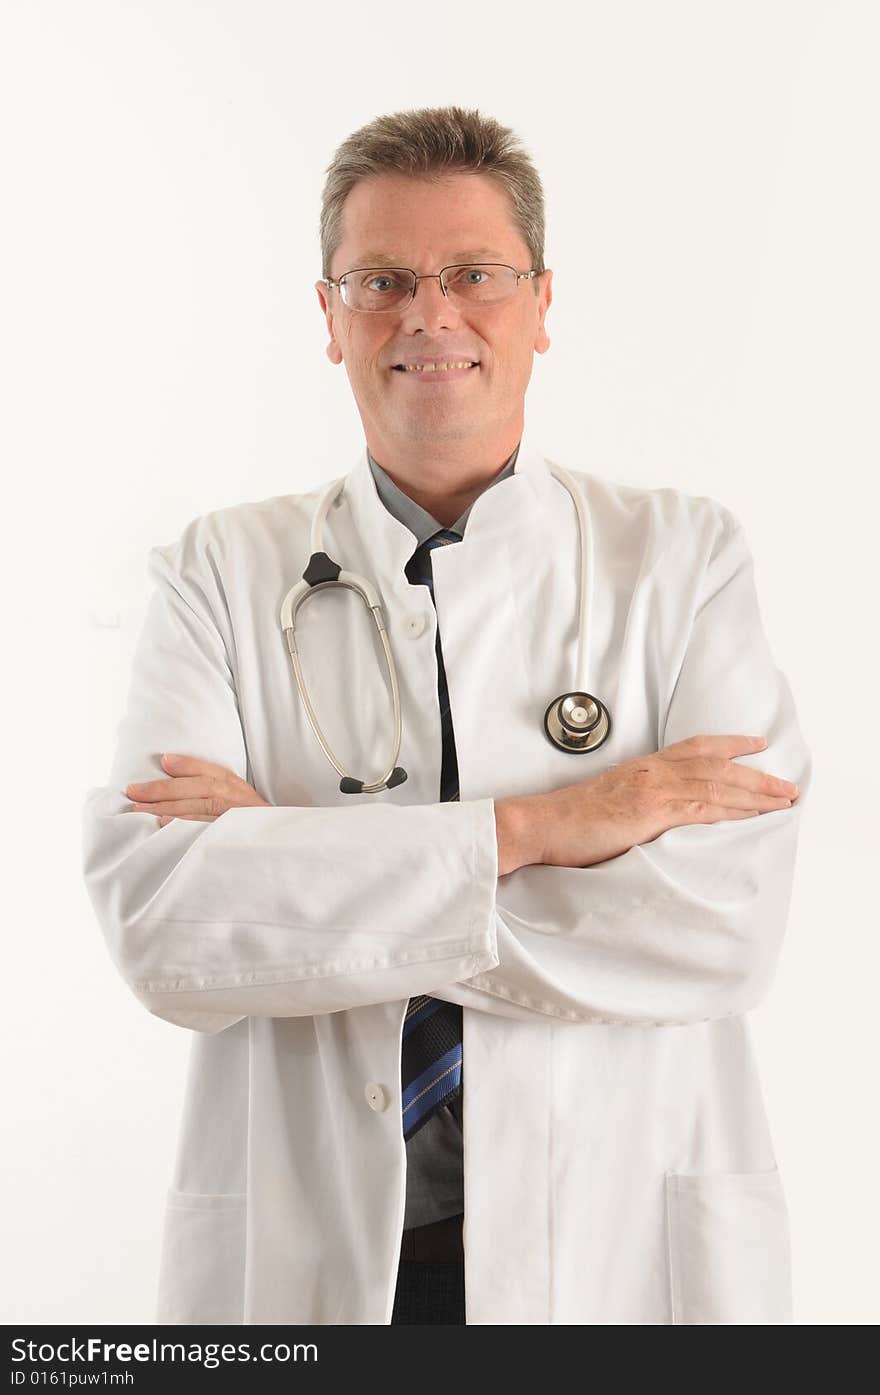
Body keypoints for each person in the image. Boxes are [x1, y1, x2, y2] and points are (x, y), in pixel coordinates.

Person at [81, 105, 811, 1325]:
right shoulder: (219, 570)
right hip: (318, 1256)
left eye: (474, 274)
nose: (430, 313)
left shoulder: (682, 561)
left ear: (537, 303)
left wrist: (291, 876)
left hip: (620, 1237)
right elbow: (165, 929)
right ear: (330, 316)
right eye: (383, 279)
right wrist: (550, 828)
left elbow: (720, 929)